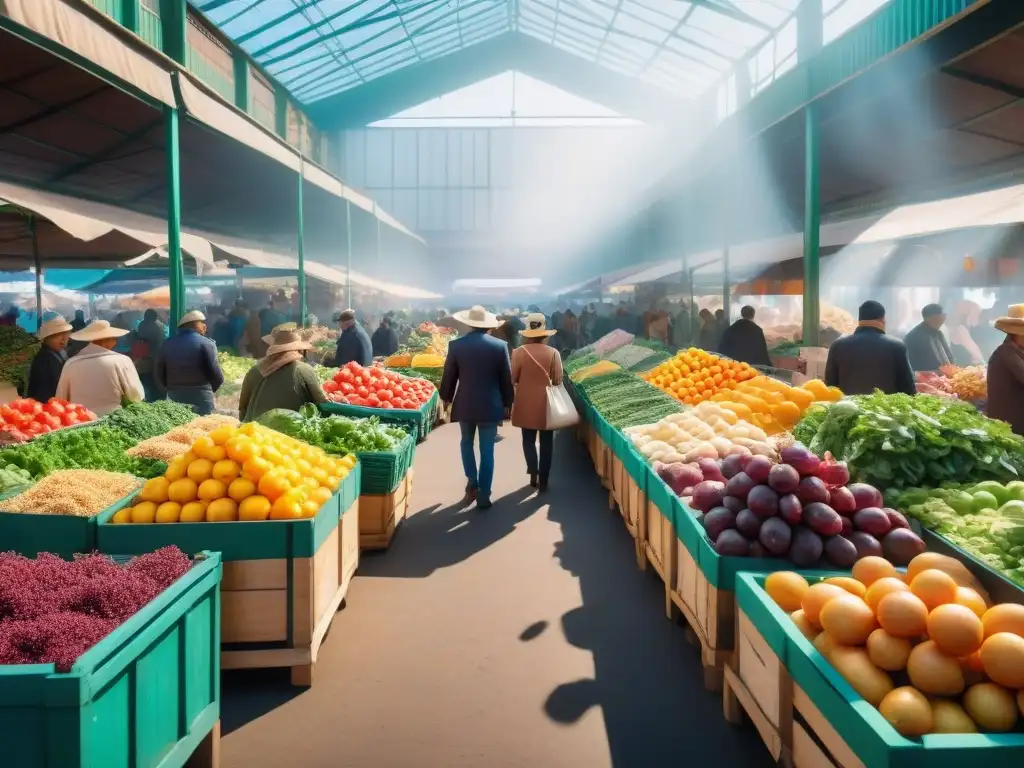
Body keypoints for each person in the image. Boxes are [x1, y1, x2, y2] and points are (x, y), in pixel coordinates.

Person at [439, 306, 514, 510]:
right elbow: (506, 379)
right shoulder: (500, 346)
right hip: (491, 404)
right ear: (489, 326)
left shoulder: (456, 345)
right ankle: (484, 494)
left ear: (469, 324)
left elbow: (449, 375)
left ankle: (472, 481)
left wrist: (445, 397)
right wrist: (508, 403)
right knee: (487, 449)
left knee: (466, 442)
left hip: (466, 403)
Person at [511, 314, 563, 492]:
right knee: (547, 441)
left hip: (525, 401)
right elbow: (557, 379)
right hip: (547, 403)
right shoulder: (553, 353)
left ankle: (533, 471)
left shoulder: (518, 353)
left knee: (528, 439)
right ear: (544, 333)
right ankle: (545, 478)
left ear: (527, 333)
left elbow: (513, 378)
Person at [824, 300, 915, 396]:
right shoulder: (896, 346)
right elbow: (908, 387)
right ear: (883, 319)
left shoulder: (837, 345)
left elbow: (831, 385)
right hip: (886, 409)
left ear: (860, 320)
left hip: (847, 409)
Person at [55, 320, 145, 415]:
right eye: (114, 338)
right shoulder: (122, 361)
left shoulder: (71, 364)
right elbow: (136, 396)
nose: (115, 341)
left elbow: (61, 400)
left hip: (80, 423)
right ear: (108, 340)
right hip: (114, 421)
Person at [238, 327, 326, 422]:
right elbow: (322, 403)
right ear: (299, 350)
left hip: (253, 431)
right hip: (289, 431)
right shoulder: (303, 369)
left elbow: (242, 407)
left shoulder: (255, 370)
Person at [155, 311, 224, 415]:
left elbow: (158, 372)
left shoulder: (167, 344)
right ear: (194, 324)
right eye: (202, 322)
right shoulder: (206, 343)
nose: (205, 326)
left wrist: (169, 390)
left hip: (174, 396)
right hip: (201, 398)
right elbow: (217, 376)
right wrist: (207, 391)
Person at [25, 317, 72, 402]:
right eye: (57, 337)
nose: (63, 341)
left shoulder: (60, 353)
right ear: (46, 339)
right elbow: (43, 392)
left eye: (65, 336)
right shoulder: (43, 359)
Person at [903, 303, 954, 372]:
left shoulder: (938, 333)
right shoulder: (915, 336)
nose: (944, 317)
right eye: (942, 315)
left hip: (944, 377)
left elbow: (948, 356)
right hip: (925, 378)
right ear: (930, 318)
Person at [948, 300, 985, 365]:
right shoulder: (961, 330)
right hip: (960, 371)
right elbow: (977, 354)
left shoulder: (956, 328)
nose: (978, 318)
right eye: (976, 314)